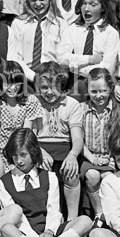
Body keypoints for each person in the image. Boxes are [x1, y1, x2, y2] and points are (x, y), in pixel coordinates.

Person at [0, 128, 96, 237]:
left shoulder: (49, 177)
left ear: (34, 153)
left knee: (85, 221)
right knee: (6, 229)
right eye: (15, 155)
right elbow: (18, 219)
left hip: (51, 235)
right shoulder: (4, 182)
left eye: (23, 155)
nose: (19, 160)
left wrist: (49, 232)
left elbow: (53, 210)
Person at [35, 62, 83, 222]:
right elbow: (30, 134)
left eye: (54, 87)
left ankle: (72, 219)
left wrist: (73, 155)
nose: (49, 92)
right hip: (40, 147)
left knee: (71, 172)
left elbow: (77, 138)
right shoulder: (33, 102)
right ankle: (48, 217)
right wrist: (40, 152)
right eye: (44, 87)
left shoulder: (71, 104)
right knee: (41, 171)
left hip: (64, 149)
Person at [0, 61, 44, 185]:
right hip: (0, 155)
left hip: (21, 153)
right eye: (7, 83)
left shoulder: (29, 101)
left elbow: (26, 134)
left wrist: (19, 161)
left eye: (16, 82)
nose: (12, 88)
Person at [81, 68, 120, 220]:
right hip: (88, 157)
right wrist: (92, 159)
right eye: (94, 91)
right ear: (88, 90)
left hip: (111, 158)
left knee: (108, 177)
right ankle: (99, 213)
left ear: (110, 89)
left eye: (103, 91)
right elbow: (78, 140)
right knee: (92, 175)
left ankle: (112, 215)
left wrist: (111, 159)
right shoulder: (82, 109)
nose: (98, 95)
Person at [59, 0, 119, 99]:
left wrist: (75, 68)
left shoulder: (110, 33)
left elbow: (106, 69)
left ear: (103, 7)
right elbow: (61, 58)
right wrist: (89, 59)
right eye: (84, 3)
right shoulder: (73, 29)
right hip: (74, 86)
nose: (86, 9)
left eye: (93, 5)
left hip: (99, 89)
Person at [7, 0, 67, 82]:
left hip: (52, 78)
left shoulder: (60, 24)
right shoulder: (19, 23)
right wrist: (33, 77)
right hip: (25, 77)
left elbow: (63, 57)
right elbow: (15, 56)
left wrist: (52, 77)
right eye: (33, 0)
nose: (38, 4)